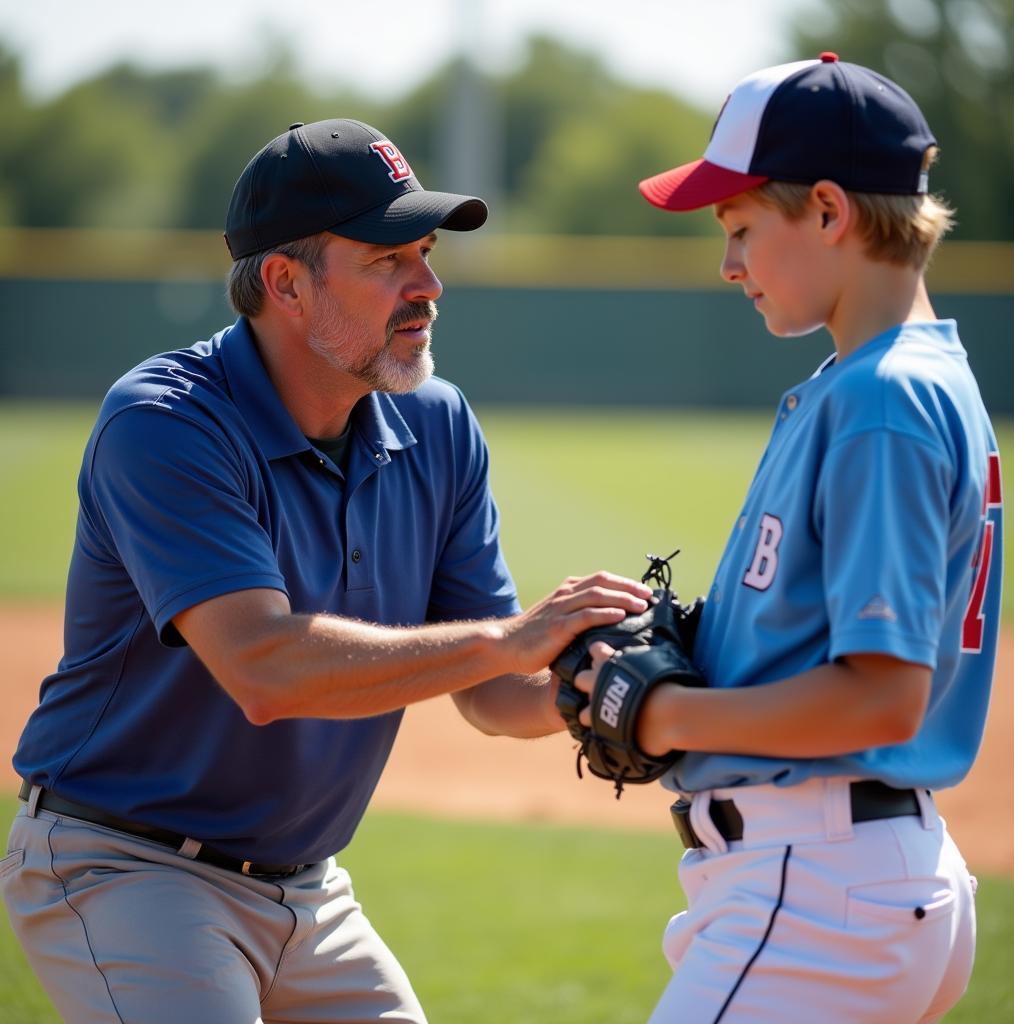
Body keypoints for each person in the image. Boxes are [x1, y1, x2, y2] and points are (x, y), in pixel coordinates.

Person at [1, 117, 652, 1024]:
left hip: (307, 894)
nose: (426, 286)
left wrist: (596, 693)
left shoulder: (436, 423)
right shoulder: (165, 423)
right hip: (124, 868)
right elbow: (263, 668)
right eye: (388, 259)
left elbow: (495, 694)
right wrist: (509, 640)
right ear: (285, 282)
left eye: (426, 253)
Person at [576, 53, 1003, 1022]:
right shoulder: (899, 378)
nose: (727, 264)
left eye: (737, 228)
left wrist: (669, 716)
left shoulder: (879, 398)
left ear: (825, 209)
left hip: (818, 891)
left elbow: (884, 696)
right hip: (848, 875)